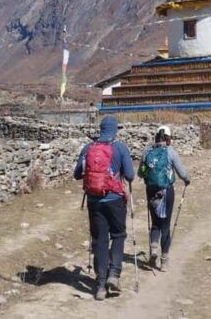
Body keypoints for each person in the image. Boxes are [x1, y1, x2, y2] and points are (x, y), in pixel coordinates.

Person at [73, 115, 134, 300]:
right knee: (118, 235)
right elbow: (130, 175)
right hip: (115, 199)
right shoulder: (120, 147)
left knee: (99, 240)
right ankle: (114, 275)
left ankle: (100, 286)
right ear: (115, 129)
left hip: (94, 201)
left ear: (101, 129)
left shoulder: (87, 148)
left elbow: (77, 174)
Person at [139, 125, 190, 272]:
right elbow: (181, 172)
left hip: (151, 191)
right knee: (166, 225)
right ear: (168, 138)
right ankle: (164, 261)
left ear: (156, 136)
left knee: (155, 223)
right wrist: (187, 180)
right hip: (166, 192)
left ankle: (153, 247)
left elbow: (141, 173)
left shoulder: (147, 151)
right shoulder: (170, 152)